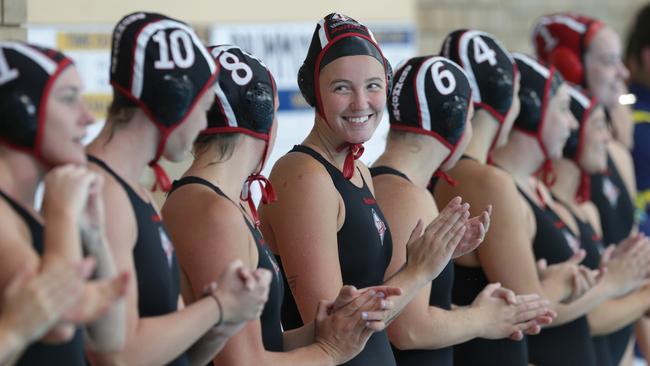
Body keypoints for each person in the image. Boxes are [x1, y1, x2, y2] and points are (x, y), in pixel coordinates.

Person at [163, 44, 401, 366]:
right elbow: (242, 362)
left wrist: (330, 326)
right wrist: (327, 352)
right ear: (267, 121)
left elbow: (257, 342)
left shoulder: (220, 203)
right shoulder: (211, 211)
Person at [259, 13, 476, 366]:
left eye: (373, 86)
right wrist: (418, 270)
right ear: (314, 92)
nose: (361, 103)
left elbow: (374, 290)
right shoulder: (304, 175)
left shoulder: (359, 170)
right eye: (342, 87)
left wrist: (437, 253)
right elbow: (332, 327)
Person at [85, 13, 272, 365]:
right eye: (203, 110)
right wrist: (219, 306)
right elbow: (118, 356)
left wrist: (225, 318)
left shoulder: (138, 194)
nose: (204, 125)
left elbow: (179, 353)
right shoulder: (103, 193)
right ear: (173, 101)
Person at [370, 54, 553, 366]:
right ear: (453, 123)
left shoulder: (384, 183)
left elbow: (401, 307)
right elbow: (408, 330)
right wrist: (482, 319)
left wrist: (474, 310)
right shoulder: (408, 197)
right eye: (468, 119)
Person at [434, 30, 590, 366]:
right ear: (506, 100)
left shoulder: (447, 173)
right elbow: (528, 303)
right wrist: (562, 282)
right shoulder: (486, 181)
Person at [0, 41, 130, 365]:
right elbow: (57, 324)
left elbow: (110, 340)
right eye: (69, 99)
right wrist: (61, 214)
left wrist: (95, 235)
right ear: (21, 111)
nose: (87, 117)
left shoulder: (30, 212)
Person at [533, 13, 640, 364]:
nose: (623, 73)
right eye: (610, 62)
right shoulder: (540, 173)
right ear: (573, 68)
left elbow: (635, 272)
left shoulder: (617, 155)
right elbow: (576, 307)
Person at [551, 85, 650, 366]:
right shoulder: (542, 210)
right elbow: (586, 316)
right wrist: (638, 293)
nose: (608, 137)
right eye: (598, 125)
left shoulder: (587, 211)